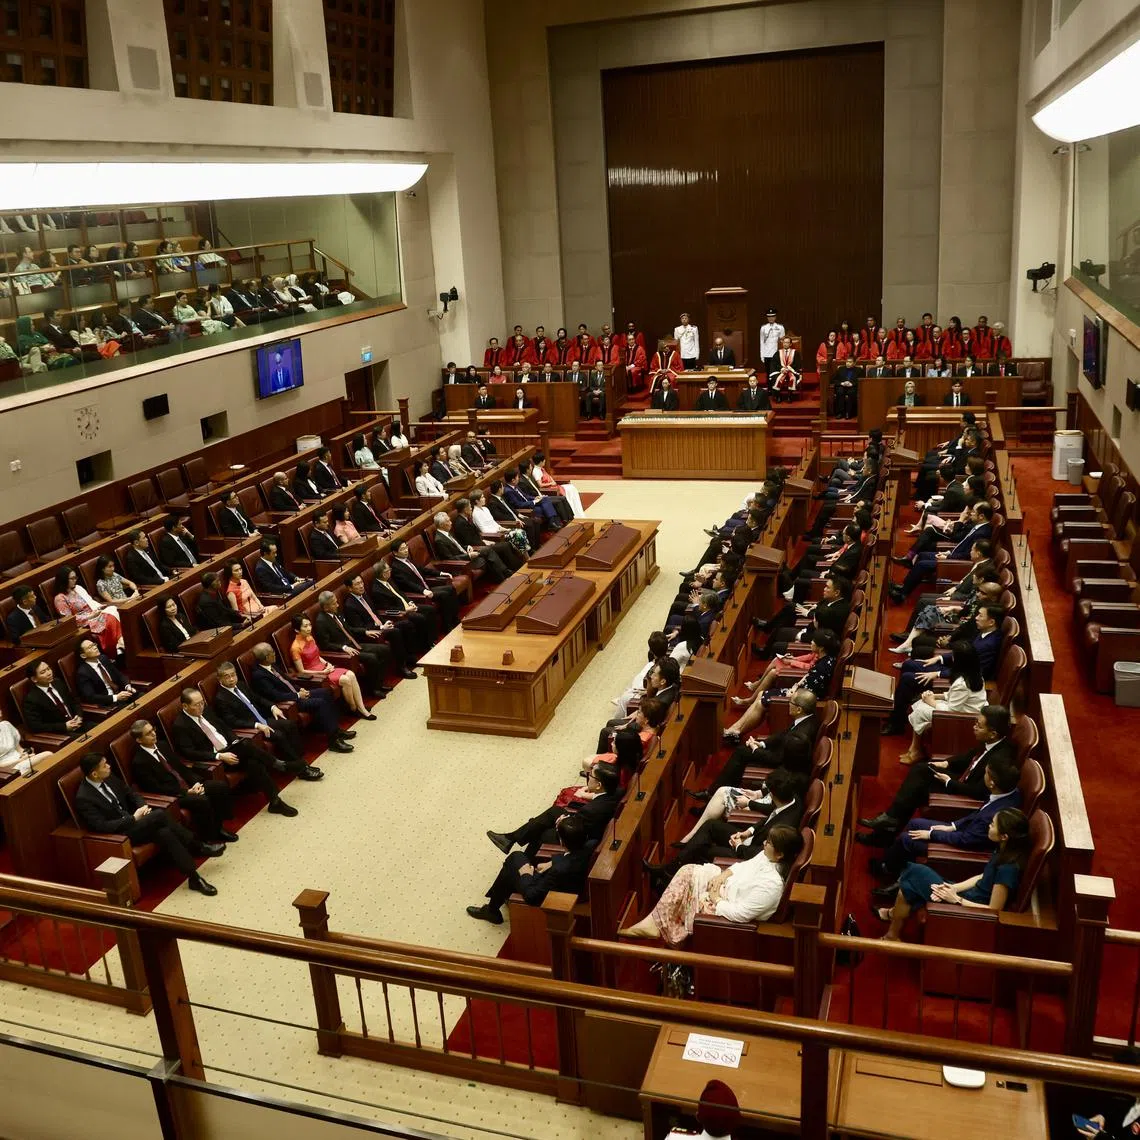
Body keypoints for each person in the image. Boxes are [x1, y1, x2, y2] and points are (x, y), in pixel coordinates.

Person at [622, 825, 803, 944]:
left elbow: (740, 914)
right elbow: (742, 866)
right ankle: (654, 922)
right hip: (725, 887)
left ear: (780, 854)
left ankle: (663, 930)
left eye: (769, 842)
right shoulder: (767, 856)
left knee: (691, 893)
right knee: (688, 871)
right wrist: (722, 877)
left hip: (726, 908)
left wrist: (716, 899)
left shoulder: (771, 886)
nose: (764, 843)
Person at [869, 755, 1022, 894]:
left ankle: (896, 880)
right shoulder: (1008, 793)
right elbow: (978, 813)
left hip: (968, 848)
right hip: (966, 832)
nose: (983, 776)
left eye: (986, 773)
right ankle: (894, 869)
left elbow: (966, 840)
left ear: (992, 783)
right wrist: (953, 826)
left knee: (907, 839)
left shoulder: (997, 813)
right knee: (915, 824)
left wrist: (932, 834)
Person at [858, 704, 1014, 841]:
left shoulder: (1000, 759)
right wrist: (947, 763)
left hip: (967, 792)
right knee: (921, 772)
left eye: (979, 725)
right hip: (964, 779)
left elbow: (980, 791)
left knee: (918, 786)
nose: (974, 727)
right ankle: (888, 825)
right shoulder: (992, 741)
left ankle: (886, 826)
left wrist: (948, 782)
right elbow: (970, 756)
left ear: (993, 733)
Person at [75, 752, 221, 896]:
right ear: (94, 774)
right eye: (104, 765)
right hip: (121, 834)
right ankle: (197, 846)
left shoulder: (109, 778)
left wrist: (142, 807)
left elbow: (132, 793)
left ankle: (194, 878)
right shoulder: (84, 797)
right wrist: (133, 819)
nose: (108, 766)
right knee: (159, 815)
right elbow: (101, 826)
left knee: (164, 832)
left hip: (139, 822)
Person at [877, 808, 1029, 939]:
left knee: (914, 873)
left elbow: (993, 910)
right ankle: (892, 934)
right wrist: (954, 888)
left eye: (993, 824)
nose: (989, 826)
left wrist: (956, 900)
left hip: (970, 908)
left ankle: (892, 925)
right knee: (910, 884)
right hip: (965, 894)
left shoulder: (1008, 868)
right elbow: (983, 877)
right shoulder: (1002, 849)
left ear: (1004, 836)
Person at [645, 767, 805, 890]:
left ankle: (668, 878)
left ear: (774, 794)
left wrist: (739, 846)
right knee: (711, 826)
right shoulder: (792, 799)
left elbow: (761, 854)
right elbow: (768, 818)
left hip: (752, 855)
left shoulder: (785, 824)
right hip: (754, 839)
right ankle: (671, 870)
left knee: (702, 850)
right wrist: (747, 832)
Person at [467, 811, 594, 926]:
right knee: (519, 857)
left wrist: (526, 875)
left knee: (515, 859)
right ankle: (495, 904)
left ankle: (492, 910)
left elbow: (532, 897)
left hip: (552, 893)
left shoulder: (559, 870)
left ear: (561, 842)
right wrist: (553, 862)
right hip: (568, 881)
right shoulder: (590, 845)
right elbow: (570, 858)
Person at [129, 718, 238, 844]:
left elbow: (180, 767)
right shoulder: (140, 762)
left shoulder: (162, 745)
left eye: (153, 730)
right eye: (148, 733)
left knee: (219, 787)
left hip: (188, 786)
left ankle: (218, 829)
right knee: (202, 800)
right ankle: (207, 838)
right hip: (174, 795)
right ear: (139, 740)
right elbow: (156, 788)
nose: (153, 734)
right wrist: (186, 792)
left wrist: (195, 782)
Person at [213, 659, 316, 778]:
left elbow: (257, 698)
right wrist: (256, 725)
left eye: (233, 675)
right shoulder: (221, 698)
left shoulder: (240, 685)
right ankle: (301, 770)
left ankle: (302, 762)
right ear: (219, 679)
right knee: (279, 735)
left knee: (290, 725)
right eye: (227, 677)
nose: (231, 679)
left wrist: (272, 707)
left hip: (264, 719)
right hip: (253, 729)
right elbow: (232, 721)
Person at [248, 642, 354, 754]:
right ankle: (334, 741)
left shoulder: (272, 665)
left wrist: (300, 689)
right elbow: (276, 696)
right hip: (290, 702)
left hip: (296, 693)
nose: (275, 654)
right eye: (272, 653)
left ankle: (336, 730)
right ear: (266, 657)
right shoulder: (259, 675)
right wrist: (298, 695)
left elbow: (287, 681)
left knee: (326, 692)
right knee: (321, 703)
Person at [897, 641, 987, 764]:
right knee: (920, 703)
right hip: (965, 709)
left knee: (921, 710)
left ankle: (916, 750)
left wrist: (931, 701)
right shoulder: (973, 674)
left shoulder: (962, 683)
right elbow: (953, 696)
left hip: (964, 717)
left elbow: (951, 710)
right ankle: (915, 748)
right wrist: (935, 696)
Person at [313, 591, 395, 694]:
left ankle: (380, 682)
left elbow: (349, 629)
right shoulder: (321, 622)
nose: (337, 605)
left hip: (355, 644)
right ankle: (374, 689)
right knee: (372, 657)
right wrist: (343, 647)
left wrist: (365, 631)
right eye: (334, 603)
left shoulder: (336, 613)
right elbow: (325, 645)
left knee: (385, 649)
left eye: (336, 602)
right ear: (326, 607)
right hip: (346, 651)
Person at [291, 615, 373, 717]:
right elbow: (301, 671)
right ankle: (353, 709)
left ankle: (361, 708)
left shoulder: (310, 637)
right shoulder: (295, 647)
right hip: (317, 675)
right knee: (346, 680)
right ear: (296, 630)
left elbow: (317, 655)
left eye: (309, 625)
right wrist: (322, 672)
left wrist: (326, 663)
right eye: (305, 626)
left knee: (351, 674)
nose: (309, 628)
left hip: (324, 668)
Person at [53, 565, 122, 656]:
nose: (75, 580)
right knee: (110, 620)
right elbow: (69, 620)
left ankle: (121, 645)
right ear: (64, 579)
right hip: (84, 623)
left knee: (115, 611)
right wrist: (90, 616)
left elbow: (90, 602)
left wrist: (98, 608)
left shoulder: (78, 589)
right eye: (72, 578)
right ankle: (114, 651)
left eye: (75, 577)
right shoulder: (60, 598)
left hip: (95, 614)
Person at [74, 637, 137, 706]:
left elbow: (119, 675)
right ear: (83, 655)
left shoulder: (104, 659)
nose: (95, 647)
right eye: (90, 647)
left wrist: (127, 686)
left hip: (122, 694)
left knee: (142, 697)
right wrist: (116, 697)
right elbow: (91, 697)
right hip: (109, 703)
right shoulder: (83, 673)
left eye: (94, 644)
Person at [770, 335, 801, 401]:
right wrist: (782, 369)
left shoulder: (795, 353)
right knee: (776, 378)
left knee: (792, 378)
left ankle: (790, 396)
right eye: (784, 342)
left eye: (787, 342)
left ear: (790, 344)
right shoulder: (778, 353)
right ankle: (778, 396)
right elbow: (774, 364)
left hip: (792, 370)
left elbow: (798, 364)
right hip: (780, 371)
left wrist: (789, 369)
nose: (785, 344)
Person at [758, 308, 784, 378]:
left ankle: (776, 387)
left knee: (776, 372)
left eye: (772, 316)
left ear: (775, 317)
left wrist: (782, 354)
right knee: (768, 372)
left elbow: (782, 342)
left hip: (776, 353)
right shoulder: (763, 328)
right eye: (769, 317)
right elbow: (762, 342)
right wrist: (762, 355)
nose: (771, 318)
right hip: (767, 353)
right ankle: (769, 387)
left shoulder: (780, 327)